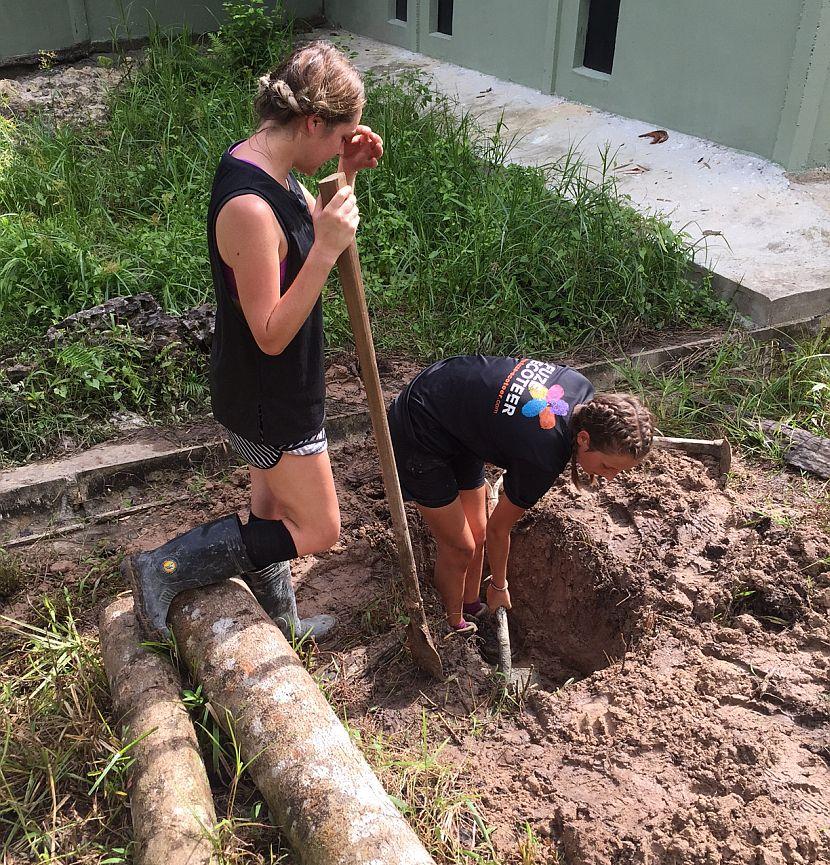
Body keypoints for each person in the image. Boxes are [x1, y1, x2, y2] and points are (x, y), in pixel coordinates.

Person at [122, 41, 383, 641]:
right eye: (337, 136)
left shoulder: (270, 164)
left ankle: (280, 621)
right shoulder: (249, 207)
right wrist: (327, 248)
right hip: (271, 394)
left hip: (269, 388)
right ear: (312, 121)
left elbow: (301, 234)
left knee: (267, 511)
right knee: (319, 529)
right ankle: (162, 568)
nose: (338, 148)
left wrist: (345, 173)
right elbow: (269, 333)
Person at [387, 355, 653, 634]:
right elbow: (499, 529)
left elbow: (487, 532)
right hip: (419, 425)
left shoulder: (582, 390)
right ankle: (453, 627)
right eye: (606, 466)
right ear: (584, 439)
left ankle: (470, 603)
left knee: (476, 534)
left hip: (457, 410)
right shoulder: (544, 454)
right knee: (460, 547)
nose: (609, 477)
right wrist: (499, 586)